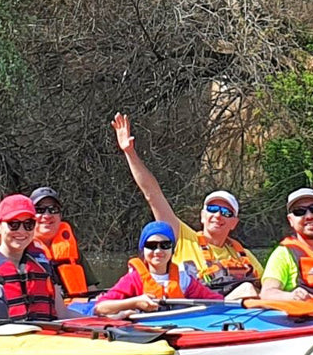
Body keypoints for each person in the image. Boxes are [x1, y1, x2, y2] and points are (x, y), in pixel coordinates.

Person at [112, 113, 261, 294]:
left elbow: (269, 288)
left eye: (226, 212)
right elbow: (152, 194)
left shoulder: (243, 255)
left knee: (250, 289)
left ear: (234, 223)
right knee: (247, 289)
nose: (218, 215)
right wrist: (130, 153)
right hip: (196, 311)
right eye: (212, 209)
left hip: (237, 311)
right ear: (203, 215)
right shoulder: (183, 236)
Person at [0, 194, 72, 321]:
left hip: (42, 334)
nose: (22, 231)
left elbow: (62, 313)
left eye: (29, 224)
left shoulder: (42, 262)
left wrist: (94, 321)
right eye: (13, 224)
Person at [92, 221, 228, 316]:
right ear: (143, 250)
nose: (158, 251)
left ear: (172, 250)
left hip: (178, 328)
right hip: (145, 332)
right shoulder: (133, 279)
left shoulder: (184, 279)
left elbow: (215, 301)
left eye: (165, 245)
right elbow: (100, 308)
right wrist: (133, 302)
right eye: (151, 245)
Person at [29, 187, 99, 298]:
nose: (47, 216)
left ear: (60, 216)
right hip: (44, 310)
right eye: (40, 210)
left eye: (53, 209)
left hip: (77, 308)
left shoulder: (72, 249)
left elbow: (92, 289)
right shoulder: (23, 250)